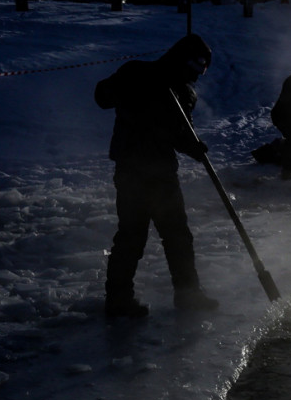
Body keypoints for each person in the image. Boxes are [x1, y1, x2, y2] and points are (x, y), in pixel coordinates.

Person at [94, 34, 220, 318]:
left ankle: (188, 294)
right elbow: (102, 96)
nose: (197, 76)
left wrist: (194, 148)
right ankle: (118, 299)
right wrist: (126, 89)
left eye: (202, 72)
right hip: (132, 171)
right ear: (182, 60)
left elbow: (179, 135)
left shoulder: (184, 94)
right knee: (132, 235)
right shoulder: (137, 73)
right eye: (196, 68)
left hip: (163, 173)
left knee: (178, 236)